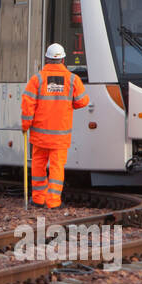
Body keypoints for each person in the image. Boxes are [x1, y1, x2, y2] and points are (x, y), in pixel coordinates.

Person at [20, 42, 89, 208]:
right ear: (63, 60)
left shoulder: (37, 79)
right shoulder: (73, 79)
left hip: (39, 136)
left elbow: (27, 104)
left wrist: (25, 125)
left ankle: (38, 199)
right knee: (57, 167)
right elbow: (83, 101)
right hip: (60, 135)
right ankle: (53, 202)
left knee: (38, 165)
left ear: (46, 59)